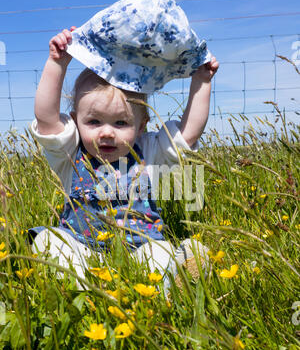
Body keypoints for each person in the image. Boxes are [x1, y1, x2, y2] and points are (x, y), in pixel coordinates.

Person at [29, 25, 219, 289]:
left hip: (140, 248)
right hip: (82, 248)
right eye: (94, 122)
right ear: (75, 122)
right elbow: (46, 118)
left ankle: (173, 279)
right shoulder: (69, 152)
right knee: (47, 241)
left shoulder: (149, 151)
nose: (106, 132)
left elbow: (188, 133)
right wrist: (57, 64)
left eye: (121, 123)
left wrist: (202, 81)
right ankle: (84, 292)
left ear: (141, 126)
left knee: (160, 254)